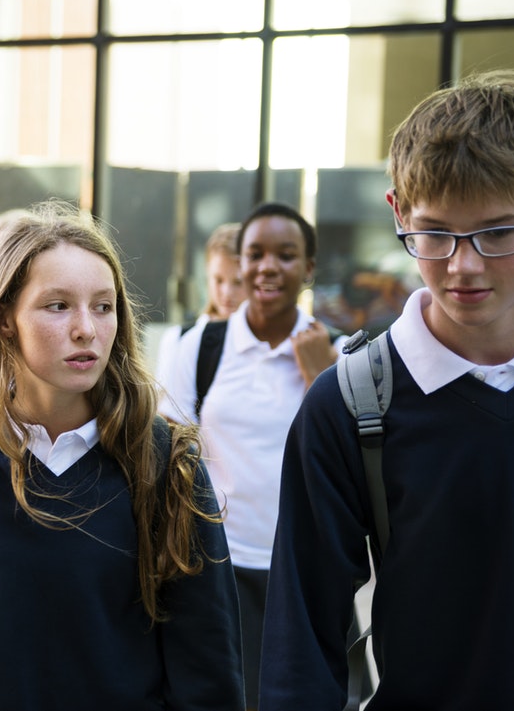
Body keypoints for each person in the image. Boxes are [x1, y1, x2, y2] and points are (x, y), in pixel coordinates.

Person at [261, 70, 514, 710]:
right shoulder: (349, 403)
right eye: (436, 233)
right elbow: (301, 640)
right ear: (397, 212)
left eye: (497, 232)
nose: (463, 265)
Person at [0, 201, 244, 711]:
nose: (86, 329)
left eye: (103, 306)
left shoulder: (167, 464)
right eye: (58, 306)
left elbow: (208, 672)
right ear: (5, 321)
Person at [158, 202, 342, 711]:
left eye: (286, 255)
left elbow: (345, 464)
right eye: (255, 254)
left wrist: (318, 375)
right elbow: (169, 451)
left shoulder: (340, 353)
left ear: (309, 267)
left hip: (304, 572)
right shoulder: (200, 346)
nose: (267, 267)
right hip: (217, 566)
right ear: (240, 263)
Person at [155, 221, 245, 386]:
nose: (227, 292)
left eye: (238, 282)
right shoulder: (178, 340)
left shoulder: (267, 344)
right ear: (207, 277)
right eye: (218, 280)